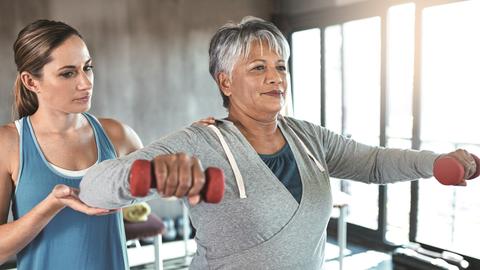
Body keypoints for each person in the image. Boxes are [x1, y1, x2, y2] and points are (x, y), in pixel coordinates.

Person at [79, 16, 478, 269]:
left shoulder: (308, 137)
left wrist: (435, 161)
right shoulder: (201, 141)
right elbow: (94, 187)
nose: (277, 78)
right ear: (225, 82)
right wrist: (146, 174)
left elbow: (373, 163)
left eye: (281, 67)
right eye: (259, 68)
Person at [0, 20, 144, 269]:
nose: (85, 83)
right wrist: (52, 204)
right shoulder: (9, 144)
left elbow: (168, 187)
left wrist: (194, 147)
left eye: (87, 68)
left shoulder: (118, 135)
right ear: (31, 82)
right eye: (68, 73)